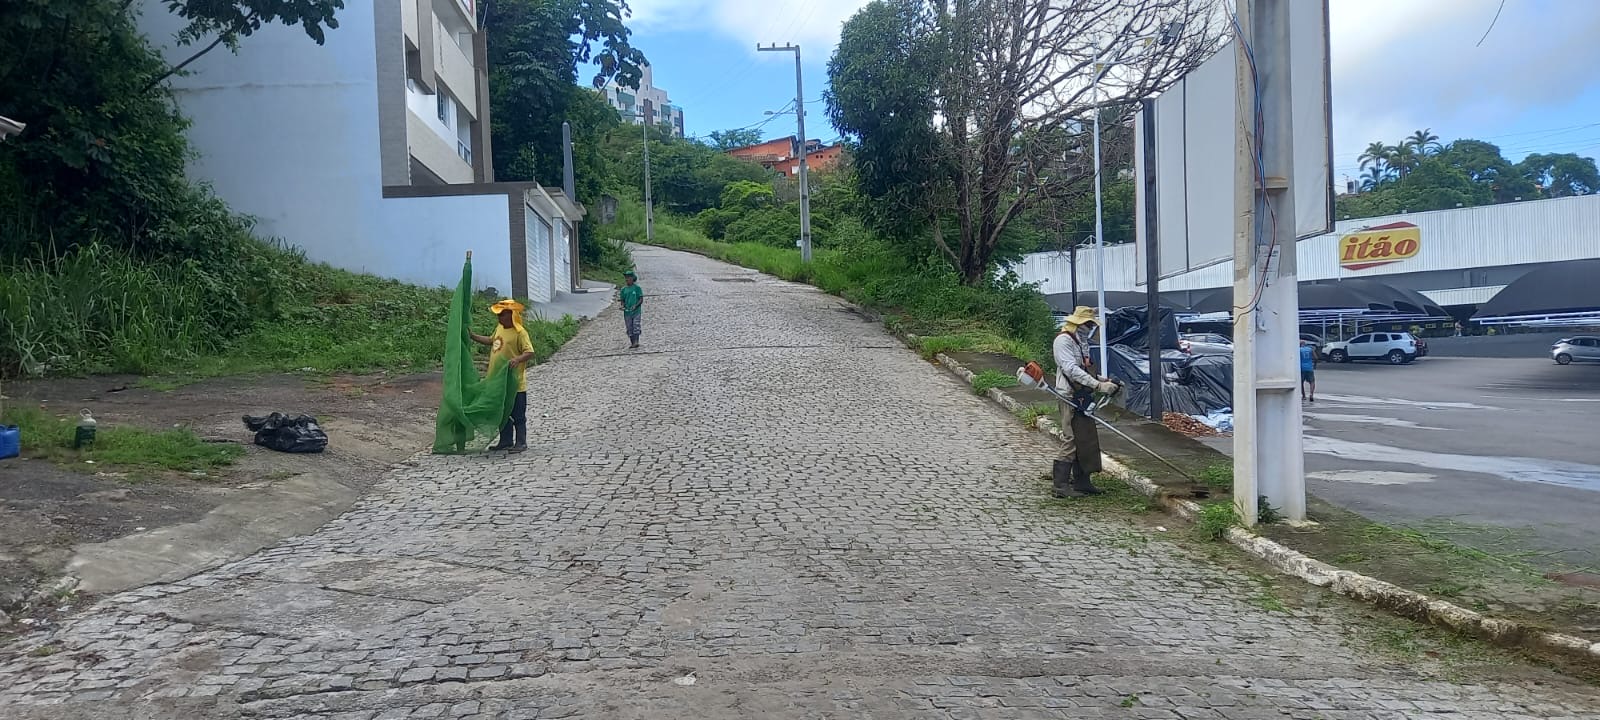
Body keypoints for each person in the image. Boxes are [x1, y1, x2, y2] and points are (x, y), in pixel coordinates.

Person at [1051, 306, 1118, 498]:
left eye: (1091, 324)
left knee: (1085, 437)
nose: (1090, 327)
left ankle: (1082, 481)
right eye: (1088, 323)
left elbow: (1084, 368)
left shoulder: (1081, 342)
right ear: (1078, 323)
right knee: (1071, 438)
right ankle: (1060, 485)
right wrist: (1098, 385)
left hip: (1082, 394)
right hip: (1068, 395)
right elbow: (1071, 369)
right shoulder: (1063, 341)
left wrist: (1103, 380)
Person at [471, 299, 535, 452]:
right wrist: (472, 336)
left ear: (512, 315)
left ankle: (521, 442)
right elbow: (491, 340)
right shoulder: (499, 328)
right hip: (497, 381)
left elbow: (529, 352)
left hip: (515, 383)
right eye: (498, 315)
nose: (499, 318)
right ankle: (505, 441)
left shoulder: (520, 333)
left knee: (518, 413)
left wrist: (517, 359)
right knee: (502, 412)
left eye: (503, 315)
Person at [620, 270, 644, 349]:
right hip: (627, 312)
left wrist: (636, 306)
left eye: (629, 278)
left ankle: (636, 341)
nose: (627, 279)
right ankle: (632, 342)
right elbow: (622, 300)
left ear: (633, 279)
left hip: (636, 311)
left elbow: (641, 299)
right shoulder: (623, 290)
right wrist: (623, 306)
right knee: (629, 327)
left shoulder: (637, 288)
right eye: (626, 278)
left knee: (636, 325)